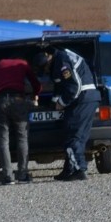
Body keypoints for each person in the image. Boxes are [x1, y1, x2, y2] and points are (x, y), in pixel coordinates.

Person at [34, 47, 101, 181]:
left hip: (82, 99)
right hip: (88, 98)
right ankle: (69, 170)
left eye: (45, 66)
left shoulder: (62, 61)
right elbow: (60, 88)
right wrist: (53, 104)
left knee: (72, 136)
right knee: (79, 137)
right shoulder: (59, 61)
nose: (45, 70)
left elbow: (73, 87)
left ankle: (79, 170)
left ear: (49, 58)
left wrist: (62, 103)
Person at [0, 56, 41, 184]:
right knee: (22, 138)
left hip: (0, 102)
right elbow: (36, 84)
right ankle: (22, 175)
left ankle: (8, 177)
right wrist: (35, 94)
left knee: (3, 140)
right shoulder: (23, 63)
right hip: (18, 101)